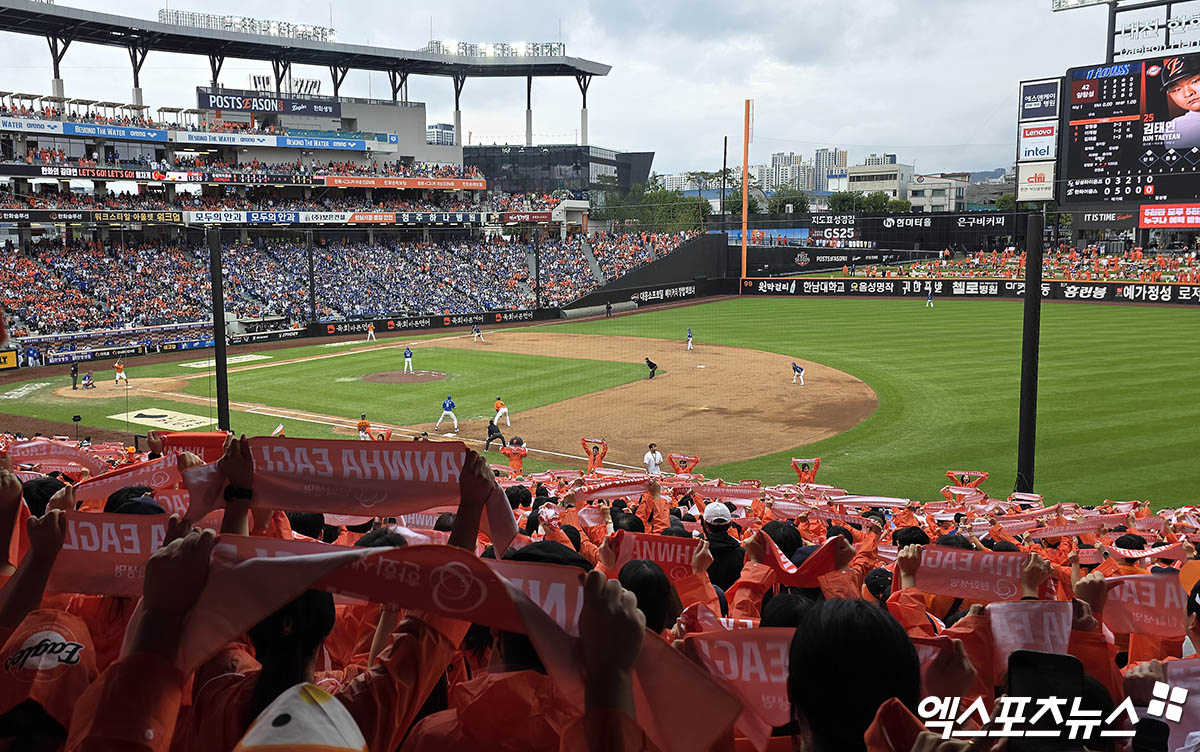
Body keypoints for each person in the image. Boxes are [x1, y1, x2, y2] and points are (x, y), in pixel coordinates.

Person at [1161, 55, 1200, 148]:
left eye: (1194, 81)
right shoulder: (1178, 127)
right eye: (1177, 89)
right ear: (1169, 95)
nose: (1188, 93)